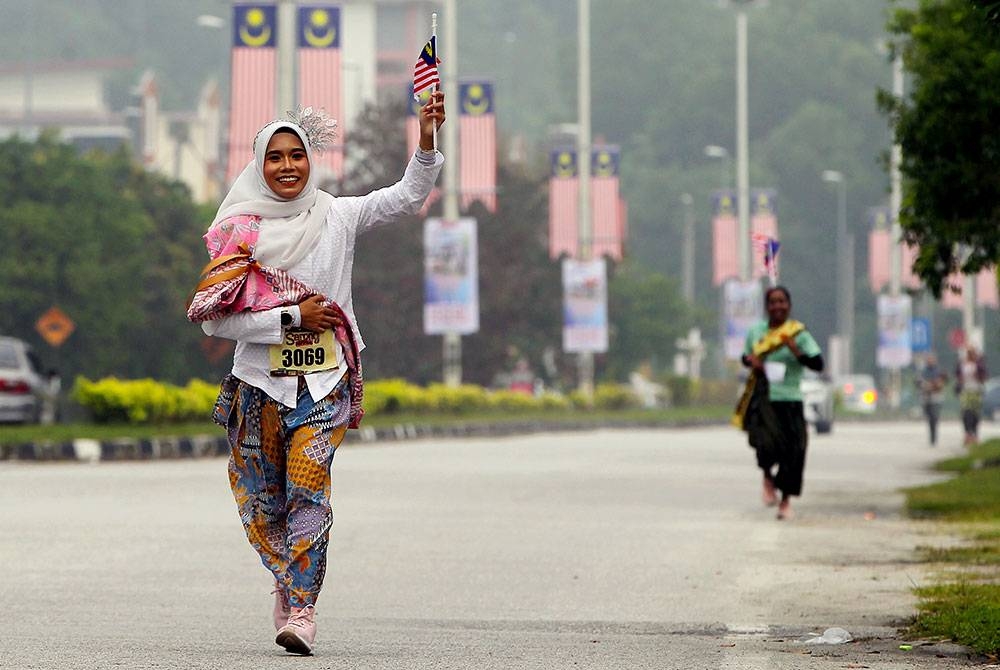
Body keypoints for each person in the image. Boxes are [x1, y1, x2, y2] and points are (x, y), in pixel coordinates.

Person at [187, 91, 446, 655]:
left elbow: (406, 197)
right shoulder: (240, 231)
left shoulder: (338, 215)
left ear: (311, 159)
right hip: (257, 388)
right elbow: (215, 321)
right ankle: (287, 579)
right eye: (275, 157)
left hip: (324, 385)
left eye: (296, 155)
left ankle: (302, 608)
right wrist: (290, 317)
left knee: (308, 491)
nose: (288, 166)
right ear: (260, 164)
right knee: (264, 504)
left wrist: (426, 141)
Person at [733, 286, 824, 520]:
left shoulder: (798, 333)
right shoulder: (757, 331)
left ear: (789, 305)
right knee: (765, 443)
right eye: (773, 302)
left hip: (791, 398)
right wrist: (753, 362)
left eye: (782, 301)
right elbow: (745, 356)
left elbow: (818, 363)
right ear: (767, 307)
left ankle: (785, 501)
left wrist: (796, 352)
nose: (777, 306)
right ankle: (767, 477)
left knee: (795, 451)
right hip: (764, 396)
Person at [955, 346, 987, 446]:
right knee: (966, 412)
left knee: (975, 414)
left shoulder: (979, 364)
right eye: (970, 353)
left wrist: (977, 376)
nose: (971, 355)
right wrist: (960, 380)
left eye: (973, 353)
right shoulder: (962, 364)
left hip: (976, 391)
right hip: (966, 390)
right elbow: (957, 375)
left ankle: (974, 433)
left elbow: (984, 376)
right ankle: (968, 433)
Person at [916, 352, 948, 446]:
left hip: (936, 396)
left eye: (931, 359)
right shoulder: (923, 371)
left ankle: (934, 436)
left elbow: (945, 380)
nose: (930, 361)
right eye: (928, 359)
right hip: (926, 396)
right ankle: (931, 434)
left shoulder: (939, 371)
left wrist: (938, 383)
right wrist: (925, 385)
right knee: (929, 416)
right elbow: (918, 382)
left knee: (934, 416)